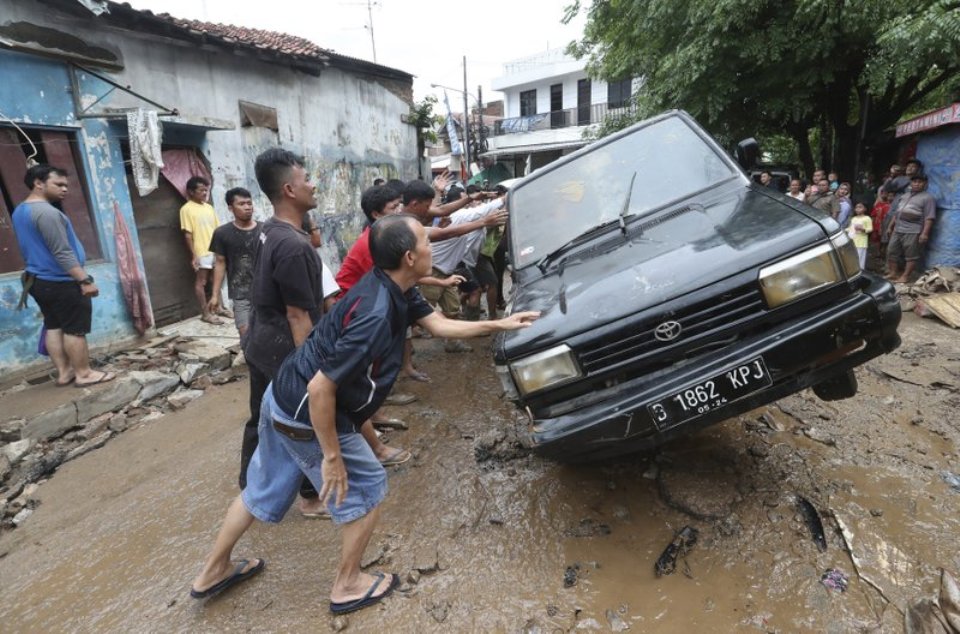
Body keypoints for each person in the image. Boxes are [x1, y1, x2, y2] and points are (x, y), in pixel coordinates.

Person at [189, 214, 539, 611]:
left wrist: (501, 323)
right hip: (305, 412)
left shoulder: (395, 284)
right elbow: (321, 388)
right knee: (368, 486)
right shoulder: (374, 312)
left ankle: (213, 572)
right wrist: (333, 457)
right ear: (410, 256)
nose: (431, 245)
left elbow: (439, 326)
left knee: (261, 490)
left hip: (280, 395)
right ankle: (348, 584)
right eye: (426, 240)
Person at [241, 148, 368, 519]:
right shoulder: (295, 247)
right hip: (281, 350)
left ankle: (251, 488)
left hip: (260, 342)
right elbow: (298, 316)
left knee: (261, 420)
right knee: (302, 418)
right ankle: (312, 497)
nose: (313, 185)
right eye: (306, 178)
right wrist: (312, 371)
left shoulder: (270, 231)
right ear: (289, 190)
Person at [12, 164, 115, 387]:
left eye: (66, 185)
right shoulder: (47, 213)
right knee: (74, 329)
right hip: (60, 280)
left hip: (38, 280)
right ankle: (84, 374)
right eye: (58, 184)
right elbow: (62, 251)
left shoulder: (21, 210)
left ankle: (64, 372)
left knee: (53, 325)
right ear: (38, 183)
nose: (65, 189)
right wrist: (84, 279)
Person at [208, 188, 261, 338]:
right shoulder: (222, 233)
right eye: (242, 204)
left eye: (249, 203)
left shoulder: (265, 230)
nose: (247, 207)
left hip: (266, 292)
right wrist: (215, 295)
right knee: (245, 333)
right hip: (241, 294)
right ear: (230, 208)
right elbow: (220, 263)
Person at [180, 176, 224, 325]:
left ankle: (219, 308)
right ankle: (205, 313)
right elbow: (188, 234)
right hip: (201, 251)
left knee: (216, 279)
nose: (205, 193)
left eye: (206, 190)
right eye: (201, 190)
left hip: (215, 250)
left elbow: (217, 229)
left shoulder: (209, 207)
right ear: (191, 192)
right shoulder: (186, 209)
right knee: (202, 282)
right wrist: (194, 255)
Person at [886, 173, 936, 283]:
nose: (917, 184)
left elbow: (929, 218)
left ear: (925, 184)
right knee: (891, 251)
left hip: (913, 230)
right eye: (914, 182)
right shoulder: (905, 195)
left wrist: (924, 233)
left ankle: (905, 276)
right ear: (911, 183)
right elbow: (897, 213)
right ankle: (893, 273)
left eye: (920, 182)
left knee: (911, 255)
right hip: (898, 228)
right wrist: (890, 226)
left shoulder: (928, 198)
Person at [847, 202, 872, 270]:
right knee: (852, 258)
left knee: (860, 258)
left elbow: (870, 229)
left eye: (860, 207)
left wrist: (862, 229)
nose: (857, 209)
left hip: (861, 242)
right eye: (856, 207)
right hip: (853, 240)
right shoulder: (854, 218)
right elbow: (850, 228)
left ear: (865, 209)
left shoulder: (867, 218)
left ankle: (860, 271)